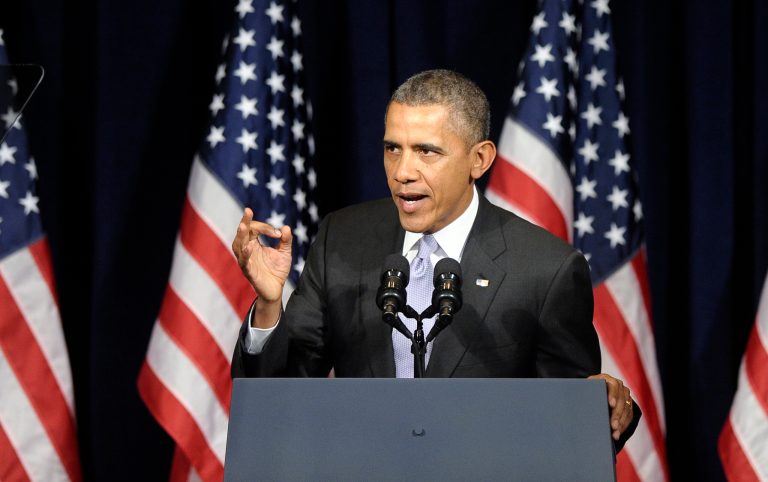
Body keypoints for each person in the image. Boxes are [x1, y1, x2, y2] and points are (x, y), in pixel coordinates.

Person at [230, 69, 640, 447]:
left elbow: (578, 432)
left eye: (427, 152)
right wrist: (269, 305)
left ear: (478, 159)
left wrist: (606, 406)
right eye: (393, 148)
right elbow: (278, 396)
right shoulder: (343, 239)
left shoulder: (545, 269)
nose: (402, 171)